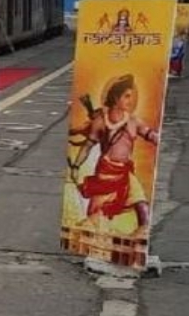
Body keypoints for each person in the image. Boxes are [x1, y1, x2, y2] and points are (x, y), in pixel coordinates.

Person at [67, 74, 158, 236]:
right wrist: (75, 166)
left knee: (141, 205)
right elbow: (87, 146)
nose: (130, 100)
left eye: (132, 96)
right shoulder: (101, 122)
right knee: (95, 214)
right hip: (105, 173)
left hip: (125, 173)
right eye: (126, 96)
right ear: (116, 97)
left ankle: (140, 237)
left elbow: (149, 134)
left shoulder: (134, 122)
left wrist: (157, 138)